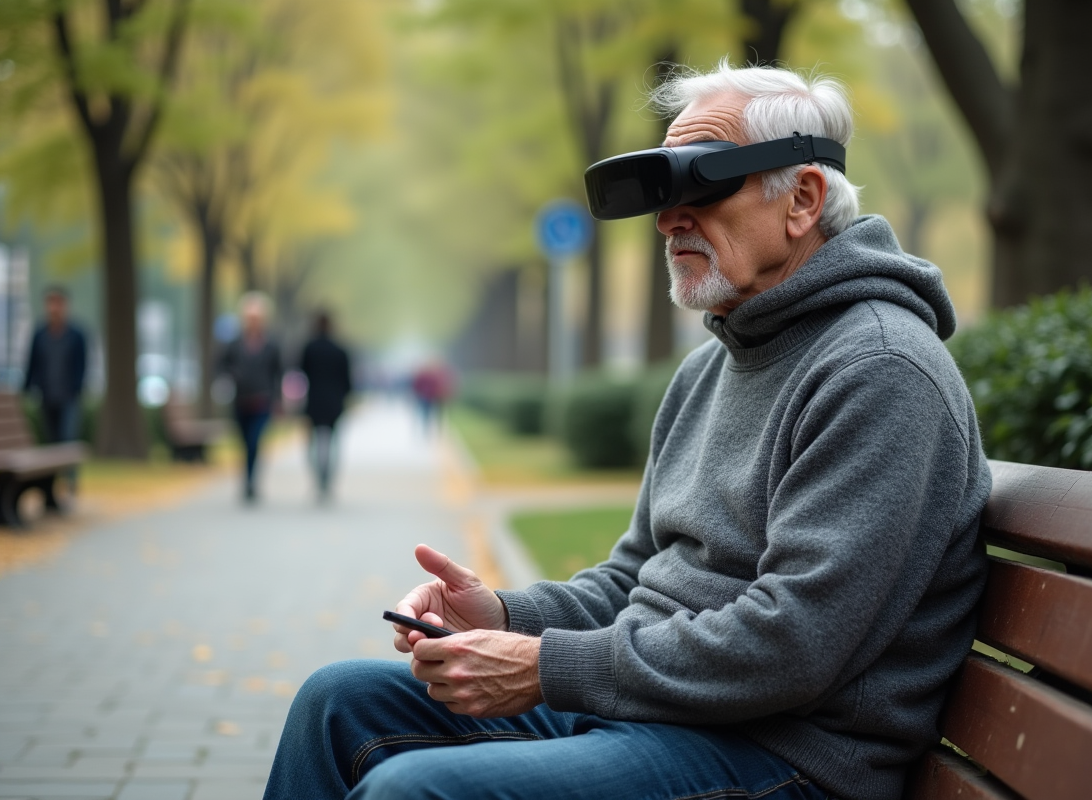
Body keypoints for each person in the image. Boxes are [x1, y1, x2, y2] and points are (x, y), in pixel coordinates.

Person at [264, 61, 991, 800]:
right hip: (660, 718)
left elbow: (792, 643)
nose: (670, 218)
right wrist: (507, 615)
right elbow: (634, 579)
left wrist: (544, 667)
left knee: (416, 793)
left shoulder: (880, 368)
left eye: (700, 184)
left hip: (786, 757)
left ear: (801, 198)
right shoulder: (707, 371)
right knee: (335, 703)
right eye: (659, 194)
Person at [218, 292, 282, 503]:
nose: (253, 321)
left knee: (255, 441)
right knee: (245, 443)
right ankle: (247, 480)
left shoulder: (271, 344)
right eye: (249, 316)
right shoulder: (235, 344)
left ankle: (251, 482)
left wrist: (278, 399)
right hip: (240, 401)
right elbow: (221, 365)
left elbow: (278, 372)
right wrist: (232, 376)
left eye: (257, 317)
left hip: (262, 401)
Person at [23, 286, 88, 490]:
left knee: (67, 438)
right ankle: (51, 486)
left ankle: (70, 482)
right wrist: (27, 387)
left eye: (57, 302)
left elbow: (83, 364)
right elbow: (31, 362)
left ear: (65, 305)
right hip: (46, 395)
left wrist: (78, 388)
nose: (54, 307)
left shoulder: (76, 334)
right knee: (51, 442)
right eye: (50, 302)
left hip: (69, 396)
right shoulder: (40, 333)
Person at [299, 311, 353, 500]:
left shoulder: (309, 348)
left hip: (313, 401)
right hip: (334, 402)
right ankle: (328, 478)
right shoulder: (340, 350)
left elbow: (300, 374)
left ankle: (317, 477)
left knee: (313, 442)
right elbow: (348, 381)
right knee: (333, 442)